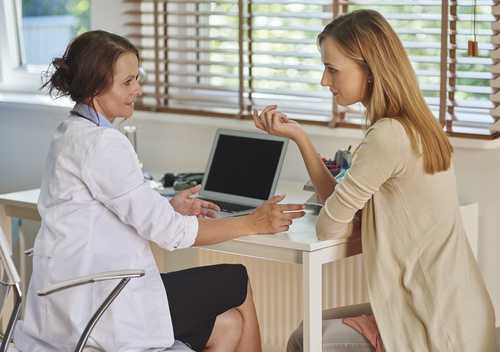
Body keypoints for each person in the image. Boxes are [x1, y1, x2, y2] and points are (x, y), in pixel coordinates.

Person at [13, 30, 305, 352]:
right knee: (236, 280)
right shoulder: (103, 143)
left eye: (137, 79)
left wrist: (169, 205)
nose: (137, 89)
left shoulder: (70, 132)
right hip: (101, 305)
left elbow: (112, 205)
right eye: (127, 82)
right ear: (96, 86)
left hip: (69, 301)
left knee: (229, 325)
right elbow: (171, 235)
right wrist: (254, 222)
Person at [253, 9, 496, 352]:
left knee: (307, 339)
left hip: (431, 321)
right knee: (308, 331)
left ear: (369, 70)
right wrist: (300, 138)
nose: (325, 81)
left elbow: (329, 228)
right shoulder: (414, 124)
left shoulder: (387, 136)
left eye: (332, 69)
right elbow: (339, 207)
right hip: (456, 308)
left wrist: (340, 209)